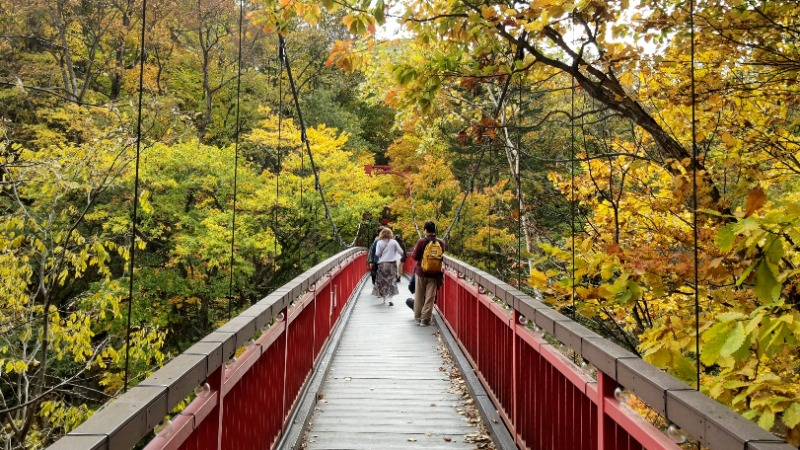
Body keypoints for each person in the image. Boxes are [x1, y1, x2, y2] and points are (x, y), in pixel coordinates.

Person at [411, 221, 445, 326]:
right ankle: (425, 320)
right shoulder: (441, 243)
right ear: (435, 230)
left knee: (419, 296)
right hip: (435, 274)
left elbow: (415, 257)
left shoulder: (421, 242)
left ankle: (418, 318)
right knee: (430, 298)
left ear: (425, 230)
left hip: (421, 272)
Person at [372, 227, 404, 305]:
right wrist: (394, 254)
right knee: (392, 281)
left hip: (382, 264)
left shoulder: (379, 242)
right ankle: (390, 299)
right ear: (390, 234)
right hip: (392, 264)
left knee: (382, 281)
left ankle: (384, 299)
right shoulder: (394, 242)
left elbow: (377, 254)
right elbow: (401, 252)